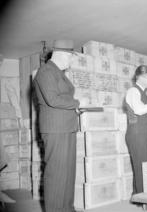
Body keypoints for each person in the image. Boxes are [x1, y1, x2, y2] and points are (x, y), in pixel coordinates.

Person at [33, 39, 80, 212]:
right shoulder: (46, 71)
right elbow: (52, 99)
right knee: (56, 174)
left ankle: (67, 208)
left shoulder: (59, 73)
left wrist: (76, 108)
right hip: (55, 129)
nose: (72, 61)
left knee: (67, 173)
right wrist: (78, 103)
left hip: (67, 127)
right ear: (61, 54)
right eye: (71, 57)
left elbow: (63, 100)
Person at [124, 65, 147, 196]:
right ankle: (143, 196)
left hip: (144, 132)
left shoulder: (143, 93)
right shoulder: (133, 91)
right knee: (142, 165)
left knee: (143, 164)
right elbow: (138, 109)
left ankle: (138, 193)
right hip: (137, 133)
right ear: (140, 77)